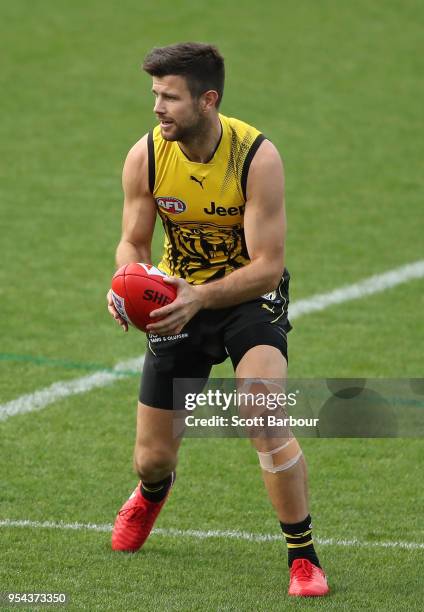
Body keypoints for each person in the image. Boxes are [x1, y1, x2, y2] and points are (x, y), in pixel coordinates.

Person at [106, 42, 329, 597]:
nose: (157, 108)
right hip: (176, 300)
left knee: (263, 412)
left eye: (170, 97)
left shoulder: (256, 157)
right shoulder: (148, 155)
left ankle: (302, 556)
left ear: (208, 100)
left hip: (244, 298)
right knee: (152, 458)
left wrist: (201, 297)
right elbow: (133, 241)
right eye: (155, 95)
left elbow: (267, 268)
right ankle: (153, 493)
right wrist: (125, 284)